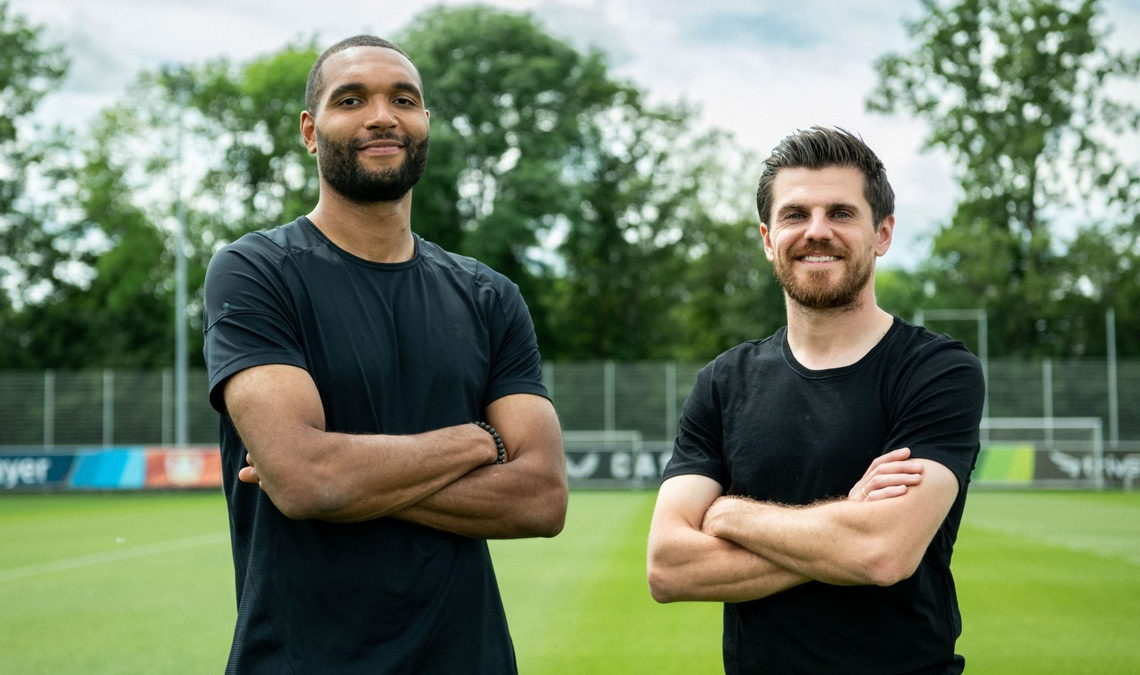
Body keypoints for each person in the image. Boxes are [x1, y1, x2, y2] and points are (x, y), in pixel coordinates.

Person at [202, 35, 568, 674]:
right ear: (311, 133)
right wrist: (479, 441)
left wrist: (337, 474)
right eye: (352, 99)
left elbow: (540, 499)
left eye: (404, 99)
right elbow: (304, 480)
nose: (382, 116)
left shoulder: (490, 296)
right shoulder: (255, 272)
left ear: (425, 124)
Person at [646, 126, 985, 675]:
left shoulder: (936, 371)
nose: (817, 231)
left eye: (841, 213)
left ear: (882, 233)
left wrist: (728, 513)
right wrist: (845, 528)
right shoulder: (723, 382)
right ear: (766, 237)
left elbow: (882, 555)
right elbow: (668, 567)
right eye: (795, 214)